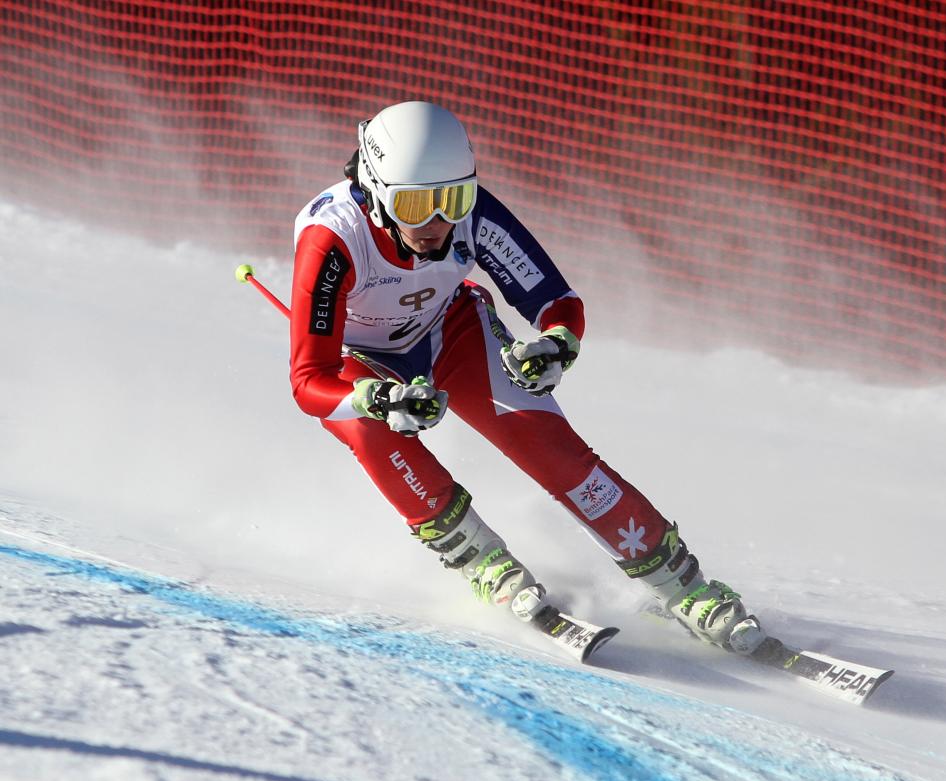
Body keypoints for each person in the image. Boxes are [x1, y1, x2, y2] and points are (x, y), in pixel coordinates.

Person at [289, 100, 765, 655]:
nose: (437, 222)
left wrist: (557, 343)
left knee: (547, 446)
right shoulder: (333, 240)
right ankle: (481, 559)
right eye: (415, 204)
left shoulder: (472, 216)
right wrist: (374, 397)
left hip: (449, 330)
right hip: (358, 357)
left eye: (453, 198)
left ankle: (682, 587)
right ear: (375, 192)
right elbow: (308, 383)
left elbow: (554, 299)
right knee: (373, 432)